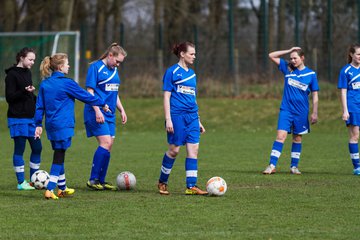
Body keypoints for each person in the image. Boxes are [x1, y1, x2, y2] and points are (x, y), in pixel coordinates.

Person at [35, 53, 109, 200]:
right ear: (61, 67)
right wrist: (102, 103)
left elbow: (39, 106)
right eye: (67, 64)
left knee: (59, 153)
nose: (69, 66)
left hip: (51, 125)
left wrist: (38, 124)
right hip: (63, 125)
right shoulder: (67, 83)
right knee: (59, 156)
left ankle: (62, 188)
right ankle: (50, 189)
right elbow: (86, 96)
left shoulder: (45, 84)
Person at [157, 41, 208, 195]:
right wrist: (169, 119)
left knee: (194, 150)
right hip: (176, 116)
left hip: (192, 116)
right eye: (192, 54)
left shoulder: (192, 74)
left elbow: (193, 98)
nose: (194, 57)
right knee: (174, 151)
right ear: (182, 54)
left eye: (194, 54)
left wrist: (198, 120)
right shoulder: (172, 72)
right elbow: (166, 97)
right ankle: (162, 181)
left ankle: (191, 186)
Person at [262, 47, 319, 175]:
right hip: (286, 110)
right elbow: (272, 55)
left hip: (301, 112)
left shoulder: (311, 74)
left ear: (302, 58)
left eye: (295, 58)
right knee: (280, 136)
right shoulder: (288, 69)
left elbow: (315, 95)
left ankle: (294, 167)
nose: (292, 60)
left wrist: (315, 112)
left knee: (297, 138)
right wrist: (289, 50)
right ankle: (272, 165)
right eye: (291, 58)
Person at [84, 43, 127, 191]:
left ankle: (101, 180)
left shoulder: (114, 70)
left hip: (110, 113)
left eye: (120, 62)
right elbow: (90, 92)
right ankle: (92, 179)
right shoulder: (95, 68)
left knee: (109, 146)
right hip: (95, 112)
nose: (118, 64)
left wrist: (122, 110)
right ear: (110, 55)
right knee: (105, 142)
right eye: (117, 61)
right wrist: (97, 110)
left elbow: (114, 93)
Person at [5, 47, 42, 190]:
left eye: (33, 60)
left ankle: (34, 180)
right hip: (18, 119)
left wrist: (37, 100)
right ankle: (21, 182)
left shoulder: (28, 73)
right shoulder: (12, 76)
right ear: (21, 58)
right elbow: (10, 97)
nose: (32, 62)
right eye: (30, 59)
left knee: (37, 147)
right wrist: (24, 91)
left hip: (31, 119)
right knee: (19, 149)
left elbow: (29, 96)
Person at [338, 43, 360, 175]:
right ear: (352, 55)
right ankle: (357, 167)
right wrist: (345, 110)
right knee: (355, 136)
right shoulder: (345, 71)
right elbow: (343, 92)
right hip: (353, 107)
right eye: (358, 54)